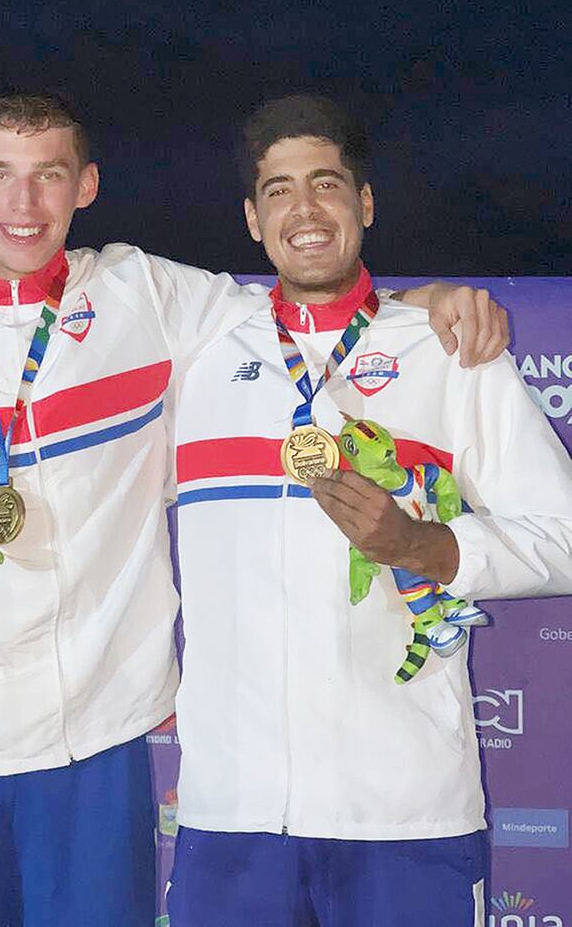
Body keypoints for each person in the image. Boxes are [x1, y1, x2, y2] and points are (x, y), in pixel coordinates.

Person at [0, 92, 508, 927]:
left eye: (48, 177)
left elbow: (304, 305)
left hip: (98, 757)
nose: (23, 206)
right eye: (0, 176)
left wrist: (427, 302)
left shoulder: (146, 296)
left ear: (86, 186)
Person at [165, 94, 572, 927]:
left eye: (326, 184)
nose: (305, 210)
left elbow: (563, 539)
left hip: (406, 814)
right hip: (232, 817)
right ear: (251, 218)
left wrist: (424, 545)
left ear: (365, 204)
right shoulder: (197, 355)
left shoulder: (450, 350)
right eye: (279, 190)